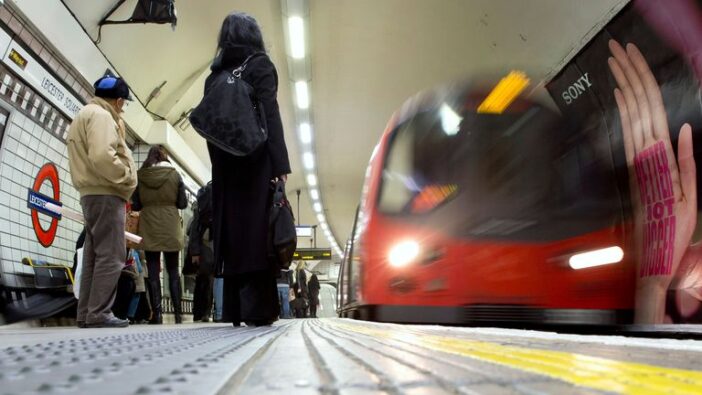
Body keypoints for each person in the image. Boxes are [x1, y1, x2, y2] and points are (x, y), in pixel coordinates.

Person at [205, 12, 291, 327]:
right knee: (258, 234)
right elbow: (271, 115)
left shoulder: (214, 77)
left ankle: (233, 311)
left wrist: (219, 167)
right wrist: (279, 164)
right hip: (256, 164)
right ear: (254, 36)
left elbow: (210, 130)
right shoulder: (260, 66)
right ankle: (258, 309)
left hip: (226, 169)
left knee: (233, 236)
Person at [66, 75, 137, 328]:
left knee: (94, 256)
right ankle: (99, 313)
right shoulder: (103, 116)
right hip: (106, 193)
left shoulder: (85, 114)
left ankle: (86, 313)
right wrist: (127, 176)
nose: (123, 108)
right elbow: (102, 155)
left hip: (91, 193)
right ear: (118, 101)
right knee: (112, 254)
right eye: (124, 104)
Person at [131, 145, 188, 324]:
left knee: (153, 271)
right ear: (164, 158)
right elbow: (183, 203)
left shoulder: (141, 175)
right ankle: (178, 314)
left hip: (149, 225)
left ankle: (157, 315)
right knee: (173, 271)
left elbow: (136, 205)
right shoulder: (175, 175)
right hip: (170, 224)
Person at [189, 182, 215, 322]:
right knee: (209, 280)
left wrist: (194, 251)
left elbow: (195, 228)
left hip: (202, 243)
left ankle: (198, 313)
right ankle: (205, 312)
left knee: (201, 280)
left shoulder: (200, 204)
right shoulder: (217, 201)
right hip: (211, 243)